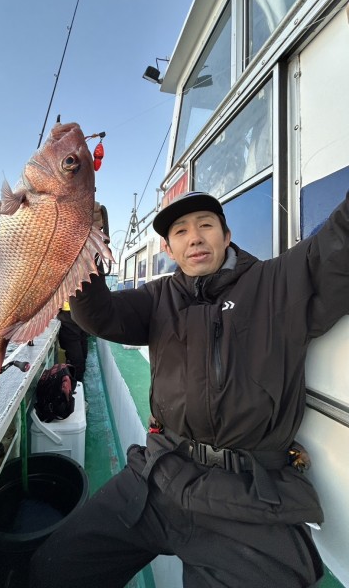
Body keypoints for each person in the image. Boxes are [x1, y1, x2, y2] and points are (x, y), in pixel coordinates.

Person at [29, 190, 349, 587]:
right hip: (159, 473)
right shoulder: (158, 296)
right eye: (180, 231)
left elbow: (341, 242)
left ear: (226, 236)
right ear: (169, 249)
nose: (194, 237)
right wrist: (84, 245)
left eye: (206, 225)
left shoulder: (278, 283)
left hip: (251, 497)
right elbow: (98, 315)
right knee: (52, 568)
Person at [57, 301, 89, 382]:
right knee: (76, 360)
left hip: (81, 313)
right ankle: (75, 382)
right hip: (68, 316)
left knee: (83, 354)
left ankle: (77, 380)